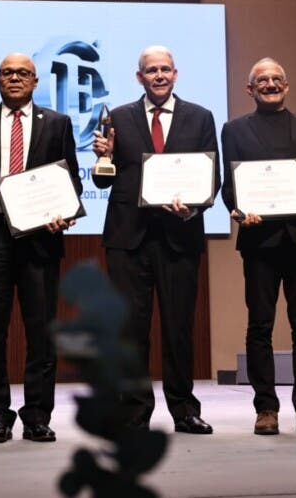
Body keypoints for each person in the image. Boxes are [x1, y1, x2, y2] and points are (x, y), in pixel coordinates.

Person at [0, 52, 81, 444]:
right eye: (8, 73)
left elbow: (69, 177)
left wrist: (64, 212)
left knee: (42, 335)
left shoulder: (57, 123)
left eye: (23, 73)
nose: (15, 78)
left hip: (40, 239)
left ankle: (38, 416)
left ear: (36, 81)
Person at [91, 45, 219, 434]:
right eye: (151, 70)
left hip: (180, 236)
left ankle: (184, 410)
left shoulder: (200, 117)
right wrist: (104, 157)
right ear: (139, 77)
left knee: (180, 327)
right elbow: (101, 178)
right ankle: (133, 411)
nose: (159, 76)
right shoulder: (118, 117)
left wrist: (194, 207)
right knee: (131, 329)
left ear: (176, 74)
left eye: (165, 69)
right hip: (129, 238)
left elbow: (211, 175)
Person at [220, 58, 296, 435]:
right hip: (258, 240)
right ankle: (265, 408)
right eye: (261, 80)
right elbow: (229, 186)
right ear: (249, 89)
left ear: (287, 86)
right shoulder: (233, 130)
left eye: (276, 79)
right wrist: (237, 211)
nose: (270, 84)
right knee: (260, 326)